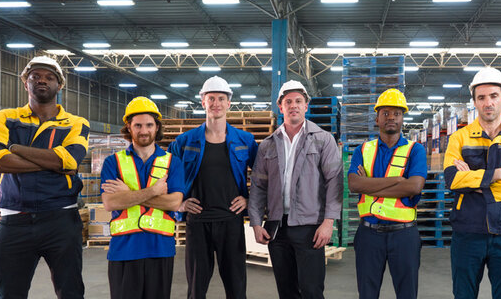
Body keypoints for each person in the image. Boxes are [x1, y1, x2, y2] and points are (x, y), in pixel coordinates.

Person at [0, 56, 89, 299]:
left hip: (61, 219)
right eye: (35, 76)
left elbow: (69, 161)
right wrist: (52, 162)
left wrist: (16, 149)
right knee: (8, 294)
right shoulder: (4, 118)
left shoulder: (76, 123)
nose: (42, 81)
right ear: (25, 83)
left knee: (71, 292)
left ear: (59, 85)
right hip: (14, 220)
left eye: (50, 77)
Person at [443, 67, 501, 299]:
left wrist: (476, 184)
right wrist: (497, 174)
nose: (488, 103)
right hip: (467, 231)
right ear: (474, 102)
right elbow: (452, 179)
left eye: (494, 96)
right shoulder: (459, 138)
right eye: (482, 97)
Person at [248, 79, 343, 299]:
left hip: (310, 227)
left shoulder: (323, 140)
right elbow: (258, 187)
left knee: (311, 291)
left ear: (306, 106)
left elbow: (334, 183)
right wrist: (255, 223)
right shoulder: (268, 144)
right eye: (288, 101)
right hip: (276, 228)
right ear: (280, 107)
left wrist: (328, 223)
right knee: (286, 291)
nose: (293, 105)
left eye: (298, 101)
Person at [169, 76, 258, 299]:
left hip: (231, 221)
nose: (216, 103)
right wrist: (179, 204)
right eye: (211, 98)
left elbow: (263, 178)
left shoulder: (245, 140)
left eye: (221, 98)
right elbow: (166, 175)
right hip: (198, 223)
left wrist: (249, 201)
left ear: (229, 103)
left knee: (236, 287)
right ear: (203, 102)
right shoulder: (184, 142)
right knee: (196, 288)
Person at [100, 97, 185, 299]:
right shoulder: (113, 162)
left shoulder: (173, 162)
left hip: (161, 250)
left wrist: (127, 194)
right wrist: (154, 192)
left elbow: (174, 202)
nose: (144, 130)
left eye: (149, 125)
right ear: (129, 127)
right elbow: (110, 202)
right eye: (137, 125)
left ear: (157, 127)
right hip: (123, 251)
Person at [347, 88, 427, 299]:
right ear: (377, 118)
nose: (391, 117)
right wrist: (397, 180)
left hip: (404, 235)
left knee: (407, 293)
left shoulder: (415, 150)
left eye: (397, 113)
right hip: (368, 235)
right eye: (385, 113)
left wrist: (370, 184)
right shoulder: (362, 150)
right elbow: (354, 184)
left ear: (403, 118)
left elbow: (414, 187)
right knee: (367, 293)